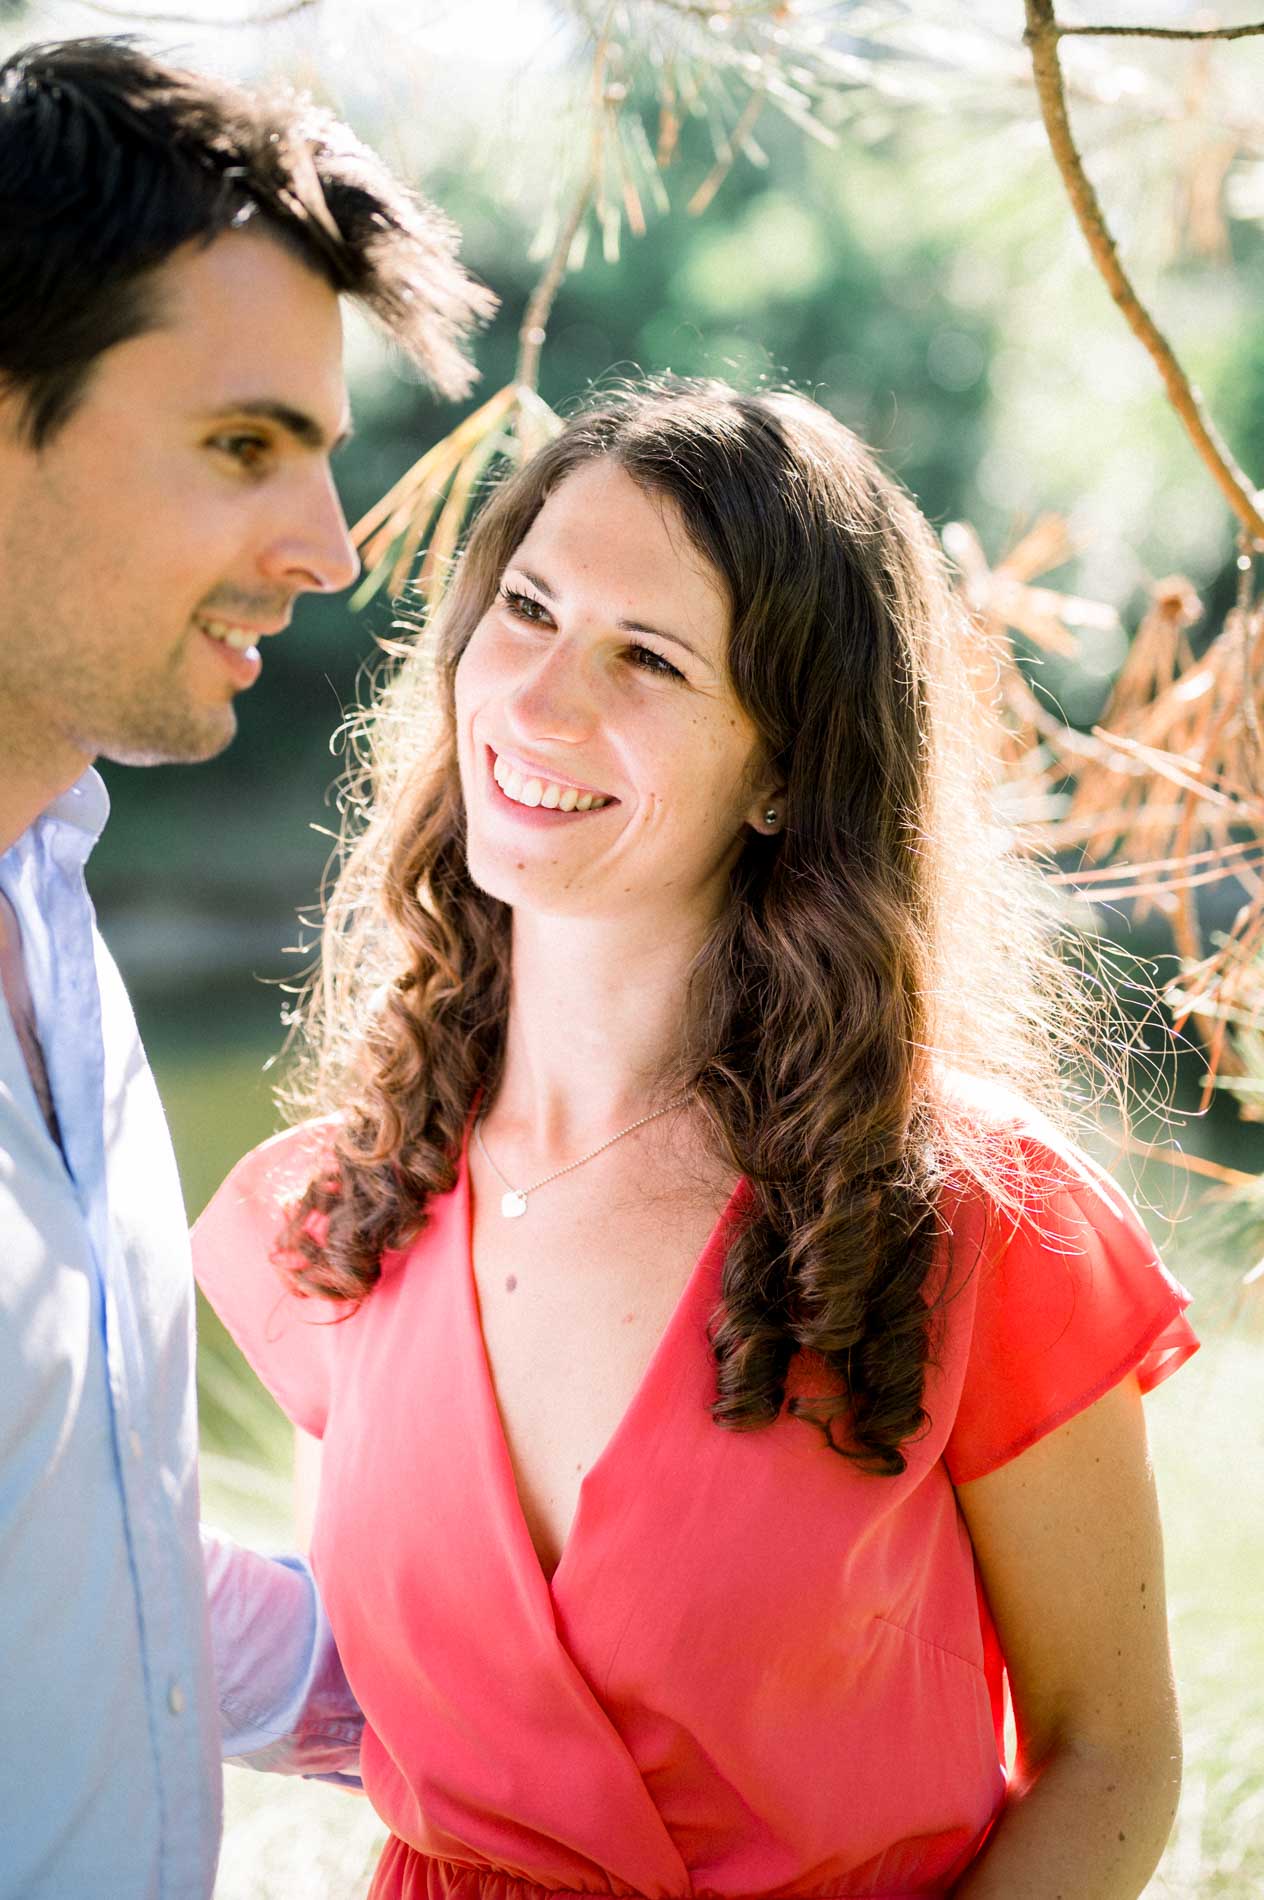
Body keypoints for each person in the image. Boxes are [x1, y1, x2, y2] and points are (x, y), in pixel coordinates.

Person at [194, 381, 1198, 1899]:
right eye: (525, 609)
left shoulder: (971, 1217)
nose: (535, 701)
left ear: (789, 768)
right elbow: (454, 1699)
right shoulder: (338, 1210)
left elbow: (1110, 1754)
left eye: (646, 657)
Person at [0, 35, 491, 1900]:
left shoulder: (58, 916)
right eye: (238, 448)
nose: (325, 548)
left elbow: (76, 1555)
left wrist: (530, 1690)